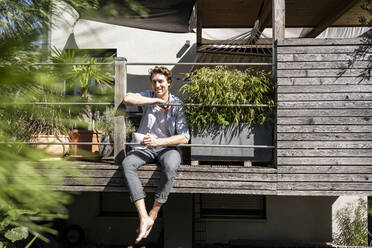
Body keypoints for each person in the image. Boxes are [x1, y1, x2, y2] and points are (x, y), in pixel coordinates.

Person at [122, 66, 190, 244]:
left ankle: (154, 212)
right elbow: (127, 98)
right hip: (145, 148)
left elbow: (184, 137)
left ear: (169, 82)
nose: (157, 85)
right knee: (127, 164)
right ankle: (143, 216)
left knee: (171, 166)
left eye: (161, 81)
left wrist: (159, 142)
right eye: (154, 82)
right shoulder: (149, 96)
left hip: (167, 148)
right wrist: (154, 102)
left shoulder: (177, 104)